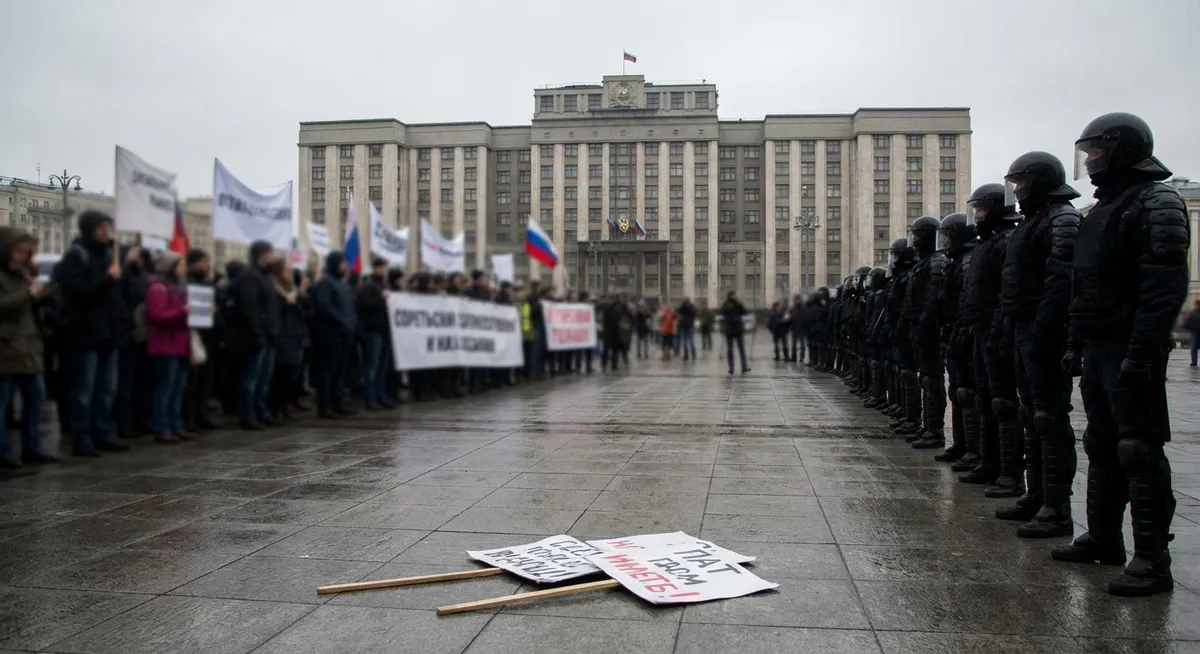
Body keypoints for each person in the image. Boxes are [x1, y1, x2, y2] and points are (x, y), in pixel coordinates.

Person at [1054, 112, 1188, 597]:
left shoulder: (1157, 203)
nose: (1089, 162)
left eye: (1096, 151)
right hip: (1099, 345)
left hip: (1133, 345)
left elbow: (1163, 287)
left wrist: (1143, 349)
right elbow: (1082, 286)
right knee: (1102, 443)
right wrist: (1075, 341)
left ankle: (1152, 559)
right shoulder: (1102, 211)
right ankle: (1104, 538)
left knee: (1139, 447)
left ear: (1122, 150)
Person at [993, 151, 1082, 536]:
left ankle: (1057, 508)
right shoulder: (1033, 222)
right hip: (1023, 327)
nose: (1017, 190)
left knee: (1048, 419)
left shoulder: (1062, 219)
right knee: (1032, 414)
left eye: (1022, 182)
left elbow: (1061, 281)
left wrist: (1048, 331)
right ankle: (1037, 495)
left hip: (1044, 330)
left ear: (1040, 179)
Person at [956, 183, 1021, 481]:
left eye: (981, 208)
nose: (978, 214)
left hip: (1000, 331)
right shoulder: (986, 244)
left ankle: (1010, 473)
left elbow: (1009, 291)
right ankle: (987, 460)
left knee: (1006, 404)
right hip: (979, 331)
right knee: (984, 398)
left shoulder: (1006, 240)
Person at [55, 210, 128, 457]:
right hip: (85, 333)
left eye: (108, 227)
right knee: (84, 390)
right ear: (89, 229)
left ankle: (103, 433)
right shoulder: (77, 255)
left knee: (107, 389)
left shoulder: (109, 255)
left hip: (108, 334)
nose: (106, 232)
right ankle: (82, 438)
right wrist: (107, 279)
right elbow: (76, 290)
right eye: (102, 227)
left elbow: (115, 299)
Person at [922, 213, 978, 457]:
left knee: (969, 393)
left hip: (964, 332)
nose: (943, 241)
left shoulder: (964, 261)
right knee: (956, 390)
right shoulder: (954, 261)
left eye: (946, 236)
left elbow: (966, 301)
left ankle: (975, 451)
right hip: (950, 332)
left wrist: (962, 330)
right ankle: (961, 445)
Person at [0, 227, 56, 467]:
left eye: (28, 252)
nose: (24, 256)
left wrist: (41, 294)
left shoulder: (23, 274)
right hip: (6, 347)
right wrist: (28, 294)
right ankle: (3, 452)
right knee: (3, 404)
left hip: (29, 348)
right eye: (20, 251)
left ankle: (32, 448)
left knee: (36, 400)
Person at [232, 241, 282, 430]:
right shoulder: (249, 276)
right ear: (262, 254)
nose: (273, 257)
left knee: (264, 378)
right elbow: (250, 308)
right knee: (251, 378)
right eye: (270, 253)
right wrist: (258, 332)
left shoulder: (266, 277)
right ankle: (248, 415)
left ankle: (262, 411)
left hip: (270, 335)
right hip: (255, 337)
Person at [144, 252, 191, 444]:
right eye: (180, 265)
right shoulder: (158, 288)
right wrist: (183, 311)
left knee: (178, 388)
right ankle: (162, 427)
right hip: (165, 344)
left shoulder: (180, 288)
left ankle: (176, 425)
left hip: (180, 344)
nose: (183, 269)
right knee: (166, 388)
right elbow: (157, 316)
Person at [309, 251, 356, 417]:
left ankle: (338, 403)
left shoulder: (341, 284)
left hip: (344, 334)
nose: (345, 267)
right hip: (330, 334)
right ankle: (324, 406)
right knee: (327, 371)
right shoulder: (326, 283)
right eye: (342, 263)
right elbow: (325, 306)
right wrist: (343, 321)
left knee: (340, 371)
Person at [183, 249, 220, 432]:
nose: (207, 265)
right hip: (194, 337)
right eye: (204, 261)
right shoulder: (188, 283)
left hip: (209, 337)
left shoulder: (207, 284)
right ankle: (189, 417)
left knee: (206, 380)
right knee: (192, 381)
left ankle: (202, 413)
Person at [271, 261, 310, 421]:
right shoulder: (276, 290)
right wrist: (287, 301)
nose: (290, 274)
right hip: (284, 336)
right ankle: (276, 408)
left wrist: (301, 293)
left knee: (292, 374)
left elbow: (305, 308)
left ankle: (286, 405)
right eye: (286, 270)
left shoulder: (292, 290)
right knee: (281, 374)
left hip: (296, 335)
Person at [356, 257, 392, 408]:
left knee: (381, 366)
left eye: (385, 268)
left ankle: (380, 395)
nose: (383, 270)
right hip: (372, 330)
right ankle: (370, 397)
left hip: (383, 329)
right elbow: (363, 304)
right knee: (372, 365)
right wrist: (380, 299)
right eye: (381, 267)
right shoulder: (368, 285)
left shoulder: (383, 284)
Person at [720, 290, 749, 374]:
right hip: (729, 330)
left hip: (738, 329)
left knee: (741, 348)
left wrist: (739, 303)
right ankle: (731, 367)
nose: (734, 297)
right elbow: (722, 311)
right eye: (732, 295)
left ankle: (744, 366)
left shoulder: (738, 304)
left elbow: (745, 312)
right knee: (730, 350)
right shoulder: (726, 304)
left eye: (734, 295)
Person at [678, 297, 697, 361]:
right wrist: (684, 305)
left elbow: (694, 312)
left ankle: (691, 355)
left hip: (689, 326)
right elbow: (679, 311)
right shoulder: (684, 307)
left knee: (690, 341)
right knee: (686, 342)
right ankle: (687, 356)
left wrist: (686, 306)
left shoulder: (691, 307)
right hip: (685, 326)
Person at [1184, 299, 1200, 366]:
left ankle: (1194, 362)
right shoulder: (1193, 312)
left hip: (1195, 332)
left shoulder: (1193, 312)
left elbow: (1187, 322)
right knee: (1194, 348)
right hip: (1195, 332)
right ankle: (1194, 362)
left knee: (1194, 348)